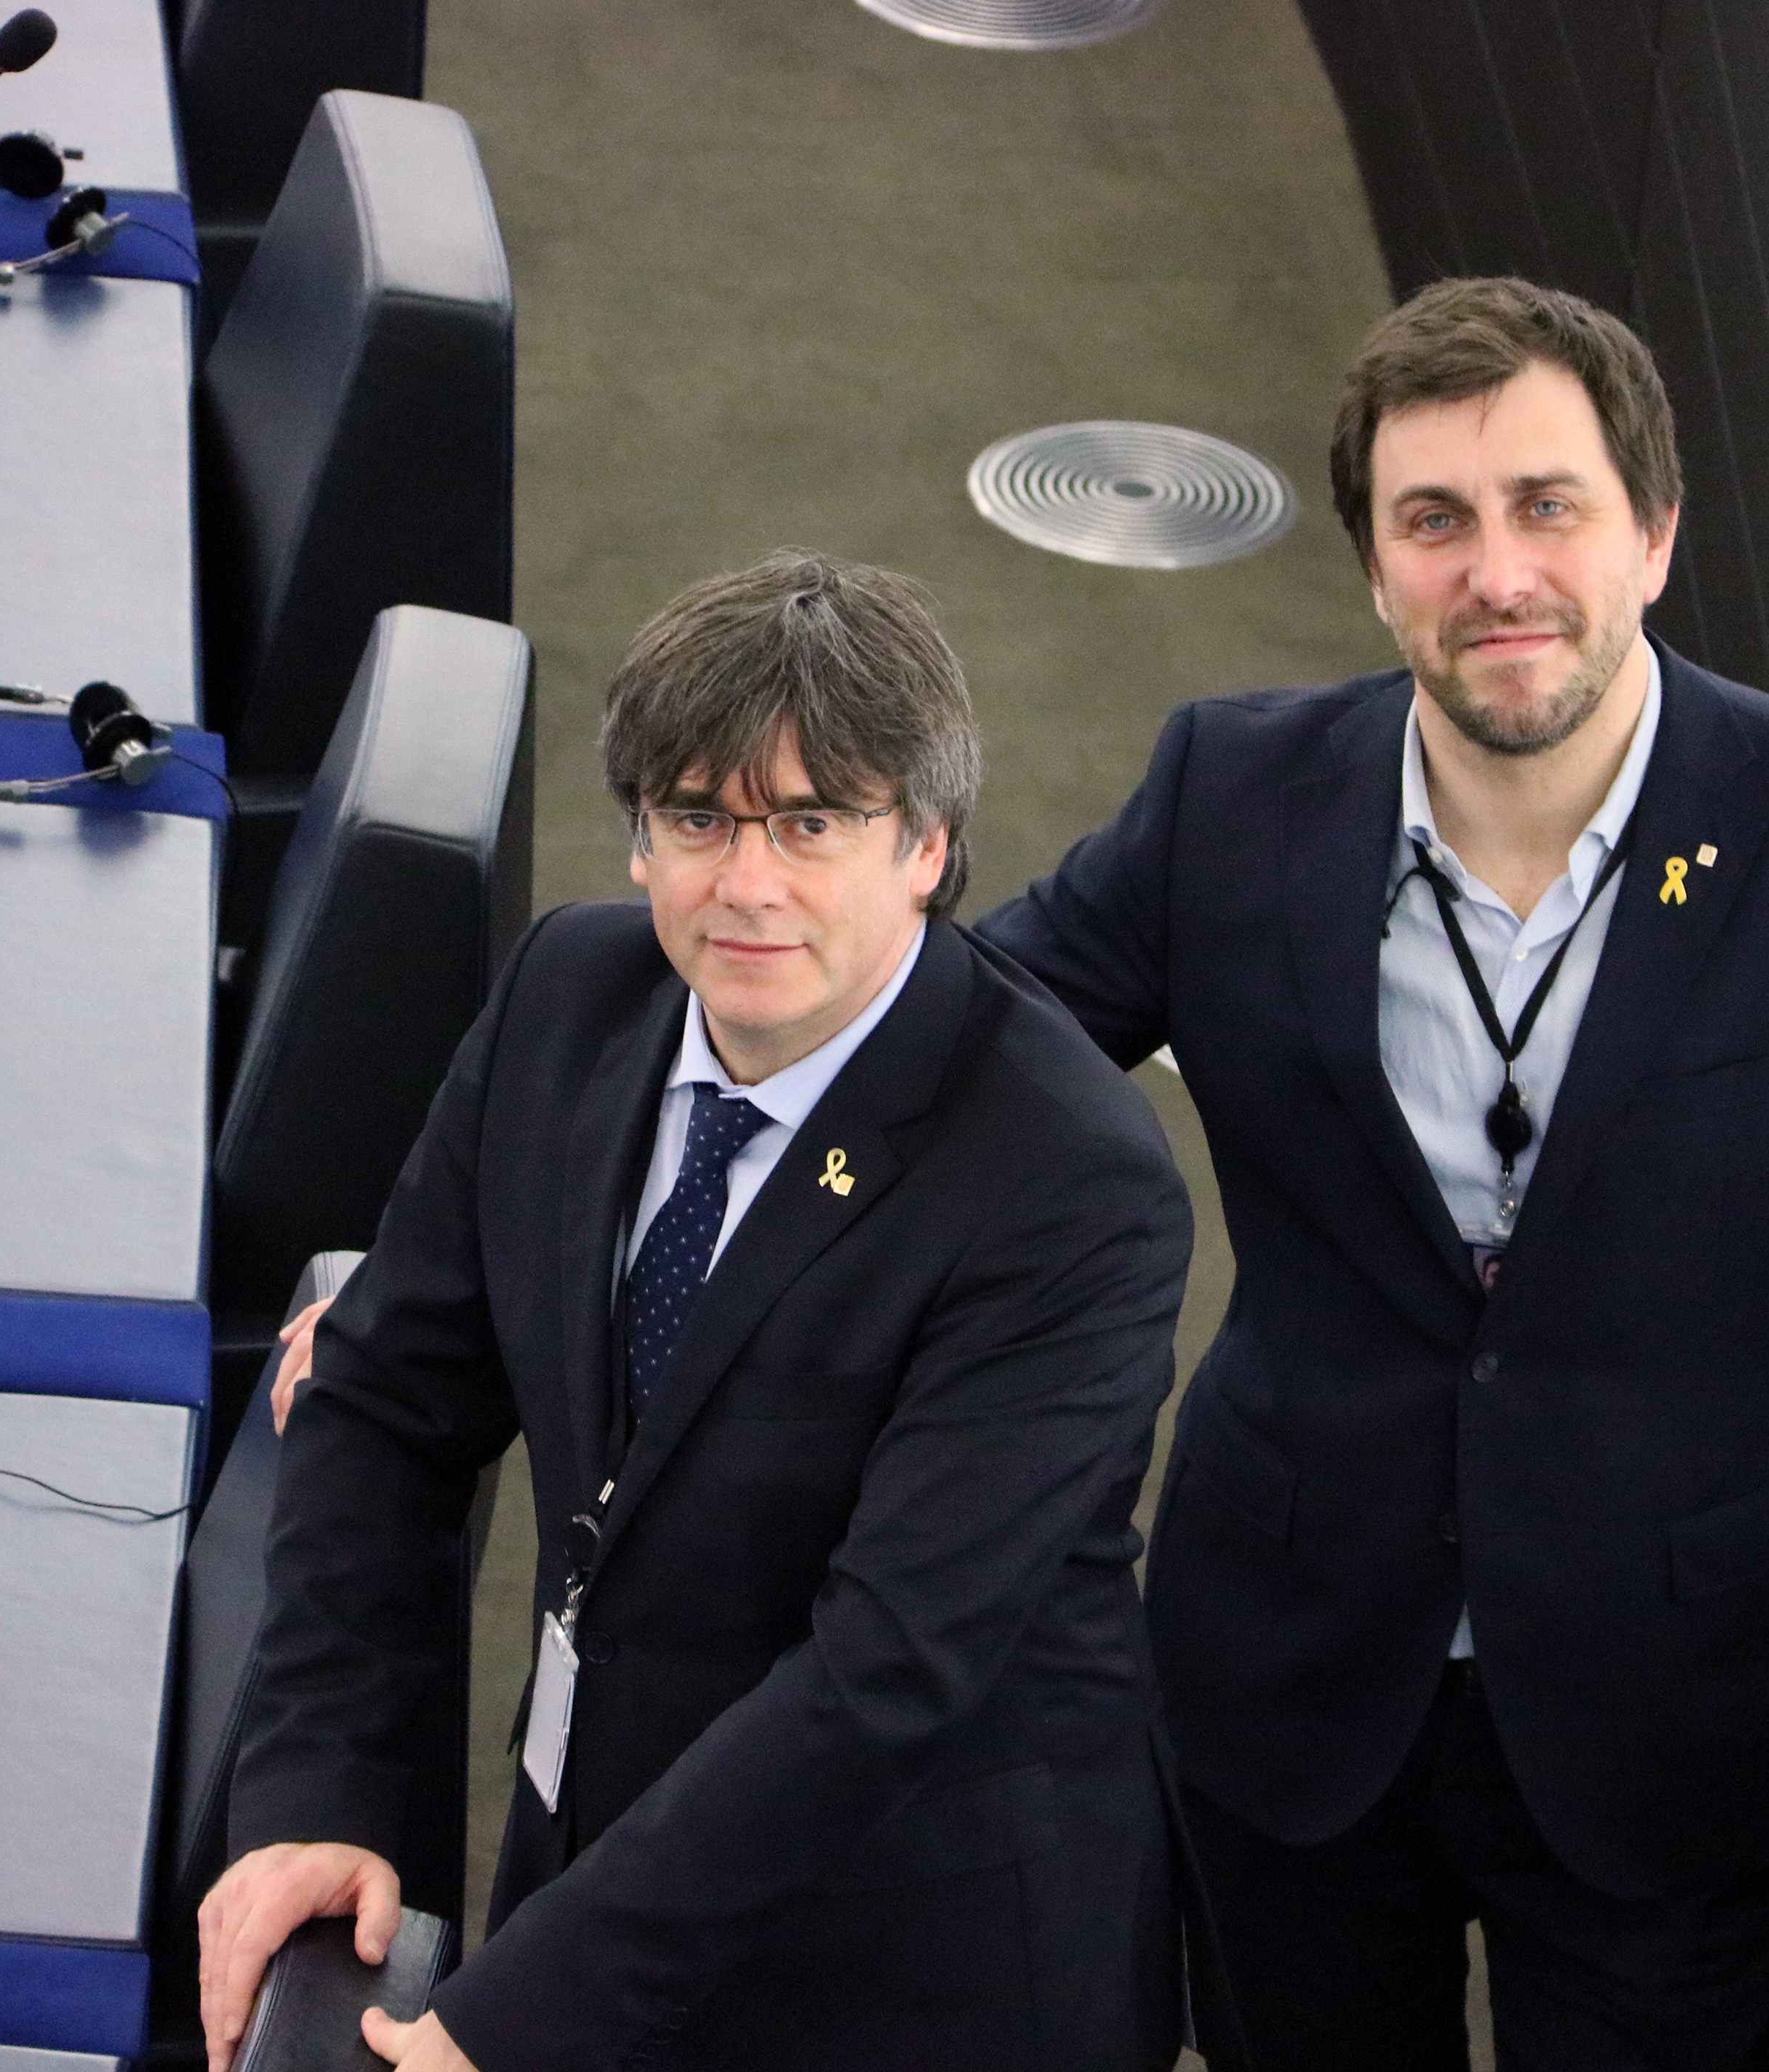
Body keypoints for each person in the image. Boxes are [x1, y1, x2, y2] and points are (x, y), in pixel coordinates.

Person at [972, 278, 1769, 2071]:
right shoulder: (1228, 794)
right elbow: (975, 1048)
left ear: (1651, 534)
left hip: (1684, 1721)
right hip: (1289, 1683)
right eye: (1435, 520)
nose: (1495, 573)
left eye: (1545, 506)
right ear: (1374, 567)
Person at [199, 551, 1194, 2072]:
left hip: (904, 1973)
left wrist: (515, 2011)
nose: (745, 885)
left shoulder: (1067, 1183)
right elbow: (389, 1401)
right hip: (597, 1864)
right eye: (695, 820)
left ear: (925, 843)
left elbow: (885, 1675)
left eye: (811, 822)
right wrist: (317, 1794)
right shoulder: (567, 998)